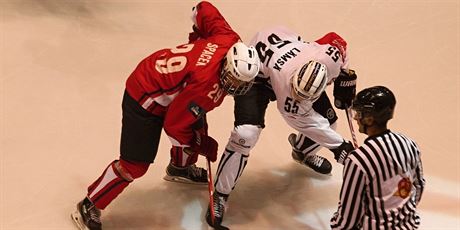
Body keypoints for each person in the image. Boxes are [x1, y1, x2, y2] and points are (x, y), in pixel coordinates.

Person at [70, 2, 260, 230]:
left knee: (196, 124)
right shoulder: (203, 89)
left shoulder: (228, 38)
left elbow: (203, 8)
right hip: (144, 96)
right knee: (135, 165)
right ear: (227, 65)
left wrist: (199, 40)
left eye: (243, 82)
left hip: (165, 80)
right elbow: (173, 127)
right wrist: (199, 144)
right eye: (234, 79)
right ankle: (90, 204)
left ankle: (180, 168)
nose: (237, 87)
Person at [205, 25, 357, 228]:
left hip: (286, 53)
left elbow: (336, 39)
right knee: (245, 135)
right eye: (298, 93)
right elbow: (308, 124)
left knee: (330, 122)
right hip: (258, 78)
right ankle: (220, 195)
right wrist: (341, 148)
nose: (299, 98)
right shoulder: (289, 96)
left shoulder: (329, 58)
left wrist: (345, 76)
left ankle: (301, 152)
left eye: (305, 97)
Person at [331, 86, 425, 229]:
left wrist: (334, 222)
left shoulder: (358, 161)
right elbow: (419, 185)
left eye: (359, 113)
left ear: (369, 119)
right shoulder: (409, 144)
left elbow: (346, 222)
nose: (356, 117)